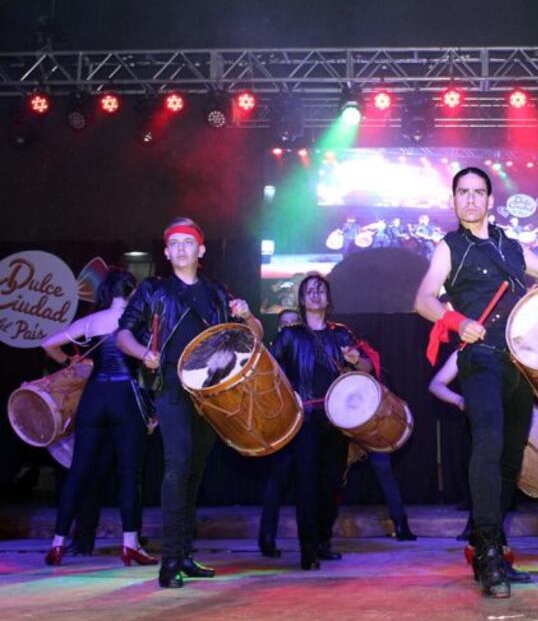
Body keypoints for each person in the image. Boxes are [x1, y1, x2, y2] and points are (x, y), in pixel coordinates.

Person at [414, 167, 538, 598]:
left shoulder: (514, 247)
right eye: (462, 193)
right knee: (487, 442)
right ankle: (486, 549)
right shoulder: (449, 247)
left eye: (478, 192)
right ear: (454, 201)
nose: (470, 199)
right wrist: (456, 319)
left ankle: (494, 545)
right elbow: (423, 299)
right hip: (481, 359)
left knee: (509, 460)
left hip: (521, 362)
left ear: (490, 201)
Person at [117, 217, 263, 588]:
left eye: (188, 243)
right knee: (176, 466)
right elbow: (123, 334)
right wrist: (142, 352)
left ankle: (183, 553)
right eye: (174, 244)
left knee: (195, 473)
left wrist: (249, 316)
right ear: (166, 252)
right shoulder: (153, 289)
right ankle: (169, 562)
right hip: (173, 388)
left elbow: (253, 336)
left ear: (201, 250)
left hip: (212, 394)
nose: (181, 249)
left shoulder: (216, 293)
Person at [43, 269, 155, 568]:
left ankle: (56, 544)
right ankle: (130, 544)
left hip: (93, 398)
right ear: (132, 292)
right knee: (130, 475)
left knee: (78, 471)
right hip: (124, 396)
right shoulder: (137, 321)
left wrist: (70, 360)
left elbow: (48, 344)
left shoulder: (92, 321)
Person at [270, 273, 373, 569]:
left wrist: (355, 360)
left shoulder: (341, 334)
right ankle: (307, 550)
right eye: (310, 291)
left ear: (328, 299)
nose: (315, 295)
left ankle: (323, 541)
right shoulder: (289, 335)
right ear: (302, 300)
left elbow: (366, 368)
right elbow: (270, 374)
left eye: (321, 291)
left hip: (336, 421)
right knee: (305, 484)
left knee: (330, 484)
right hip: (303, 421)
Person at [428, 350, 538, 545]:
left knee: (522, 468)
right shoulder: (466, 351)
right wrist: (459, 400)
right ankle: (481, 536)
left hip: (514, 418)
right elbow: (435, 384)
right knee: (486, 474)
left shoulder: (520, 350)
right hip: (482, 423)